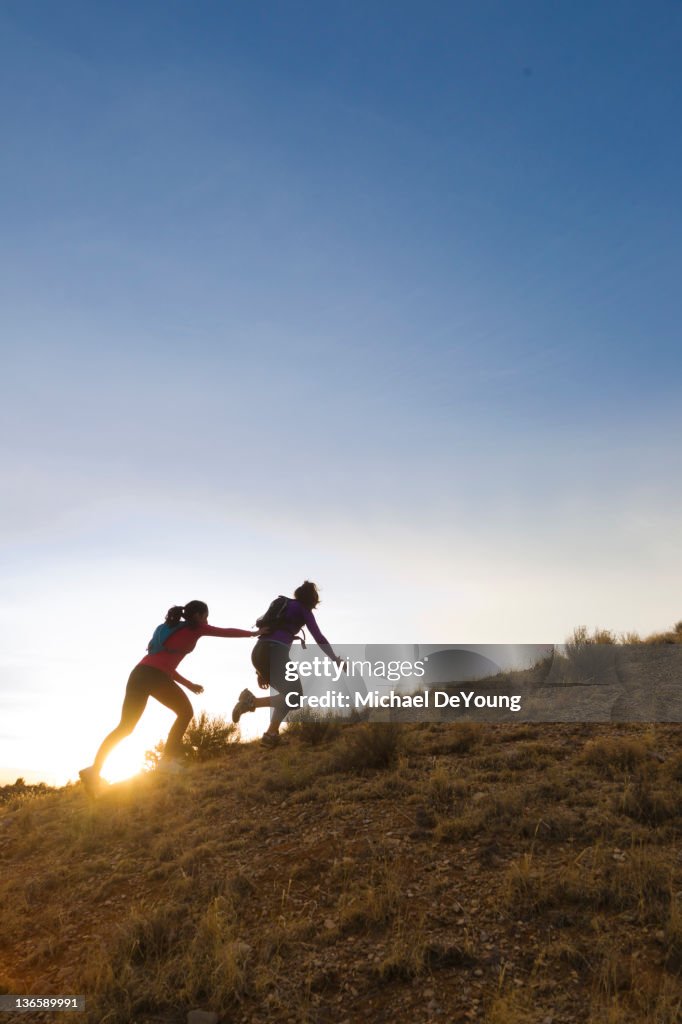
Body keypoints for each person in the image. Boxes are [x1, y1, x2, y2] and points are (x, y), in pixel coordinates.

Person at [79, 600, 258, 791]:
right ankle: (167, 760)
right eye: (206, 616)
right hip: (155, 676)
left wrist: (189, 684)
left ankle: (94, 770)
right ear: (198, 616)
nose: (207, 620)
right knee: (185, 712)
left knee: (125, 727)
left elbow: (164, 664)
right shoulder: (196, 628)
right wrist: (254, 633)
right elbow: (225, 632)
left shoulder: (167, 628)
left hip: (139, 674)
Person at [232, 581, 343, 747]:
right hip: (275, 653)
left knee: (288, 696)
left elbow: (269, 633)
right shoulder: (303, 609)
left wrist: (260, 672)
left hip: (258, 653)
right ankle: (250, 702)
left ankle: (270, 735)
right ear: (312, 600)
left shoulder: (283, 606)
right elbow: (319, 637)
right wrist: (335, 659)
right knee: (294, 696)